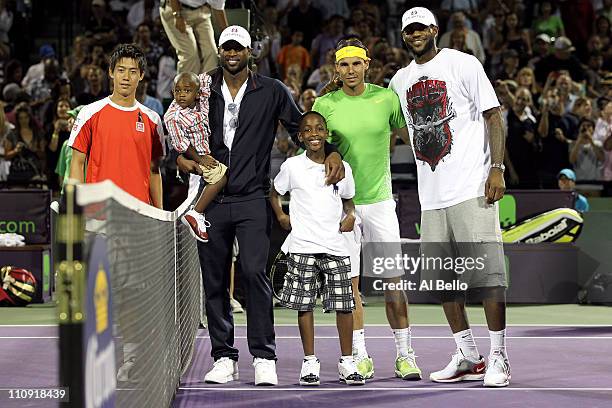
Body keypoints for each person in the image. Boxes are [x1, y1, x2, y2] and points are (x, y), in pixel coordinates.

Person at [174, 25, 344, 386]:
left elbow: (303, 128)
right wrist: (182, 159)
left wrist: (332, 152)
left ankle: (263, 356)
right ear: (220, 52)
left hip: (253, 197)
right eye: (227, 48)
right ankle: (223, 357)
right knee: (215, 280)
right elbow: (180, 125)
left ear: (250, 52)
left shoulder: (271, 90)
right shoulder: (203, 87)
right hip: (211, 200)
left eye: (239, 48)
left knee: (254, 274)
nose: (232, 54)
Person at [390, 7, 510, 387]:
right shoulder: (399, 80)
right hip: (432, 197)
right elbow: (388, 124)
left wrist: (497, 168)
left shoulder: (463, 63)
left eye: (420, 28)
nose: (414, 34)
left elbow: (494, 115)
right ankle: (468, 354)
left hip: (471, 187)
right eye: (409, 30)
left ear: (434, 30)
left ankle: (498, 357)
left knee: (488, 277)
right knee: (443, 282)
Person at [313, 37, 422, 381]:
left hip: (380, 203)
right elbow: (315, 146)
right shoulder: (325, 103)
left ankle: (405, 354)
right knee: (350, 285)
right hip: (343, 206)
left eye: (356, 63)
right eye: (343, 64)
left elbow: (412, 141)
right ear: (336, 68)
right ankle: (360, 355)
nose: (350, 70)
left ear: (367, 65)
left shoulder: (387, 98)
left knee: (394, 281)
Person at [270, 111, 364, 386]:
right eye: (308, 130)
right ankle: (310, 361)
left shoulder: (342, 167)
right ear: (300, 137)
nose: (314, 134)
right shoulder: (292, 166)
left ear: (326, 134)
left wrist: (350, 216)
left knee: (344, 307)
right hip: (302, 246)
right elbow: (274, 192)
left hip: (335, 245)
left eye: (319, 129)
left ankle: (347, 362)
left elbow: (349, 201)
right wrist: (280, 216)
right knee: (305, 306)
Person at [68, 43, 165, 208]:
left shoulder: (153, 120)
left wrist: (160, 214)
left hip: (139, 215)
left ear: (141, 75)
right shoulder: (89, 113)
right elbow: (77, 163)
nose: (126, 77)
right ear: (111, 72)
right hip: (98, 215)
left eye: (133, 71)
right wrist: (74, 210)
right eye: (121, 70)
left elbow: (154, 171)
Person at [165, 71, 227, 242]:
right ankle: (195, 213)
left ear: (197, 93)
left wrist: (222, 66)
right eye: (177, 91)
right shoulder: (173, 117)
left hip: (211, 150)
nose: (182, 95)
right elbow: (182, 145)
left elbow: (206, 76)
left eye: (186, 91)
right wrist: (200, 159)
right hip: (200, 156)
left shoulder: (202, 93)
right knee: (221, 178)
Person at [159, 0, 229, 74]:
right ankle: (186, 85)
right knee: (190, 56)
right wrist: (177, 16)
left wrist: (229, 37)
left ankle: (206, 84)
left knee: (211, 53)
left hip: (201, 12)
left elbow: (218, 9)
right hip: (175, 8)